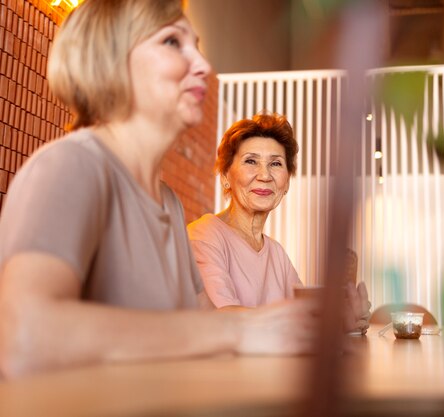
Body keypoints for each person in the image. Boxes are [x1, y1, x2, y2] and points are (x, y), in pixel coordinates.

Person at [0, 0, 317, 379]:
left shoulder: (167, 202)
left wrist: (304, 324)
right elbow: (21, 336)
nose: (201, 64)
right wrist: (238, 331)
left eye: (196, 46)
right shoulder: (73, 166)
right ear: (112, 61)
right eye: (171, 42)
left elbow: (203, 318)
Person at [187, 112, 370, 333]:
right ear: (226, 175)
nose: (264, 175)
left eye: (275, 163)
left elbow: (307, 313)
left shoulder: (277, 254)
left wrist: (342, 317)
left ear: (287, 184)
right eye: (251, 161)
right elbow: (222, 318)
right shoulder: (204, 235)